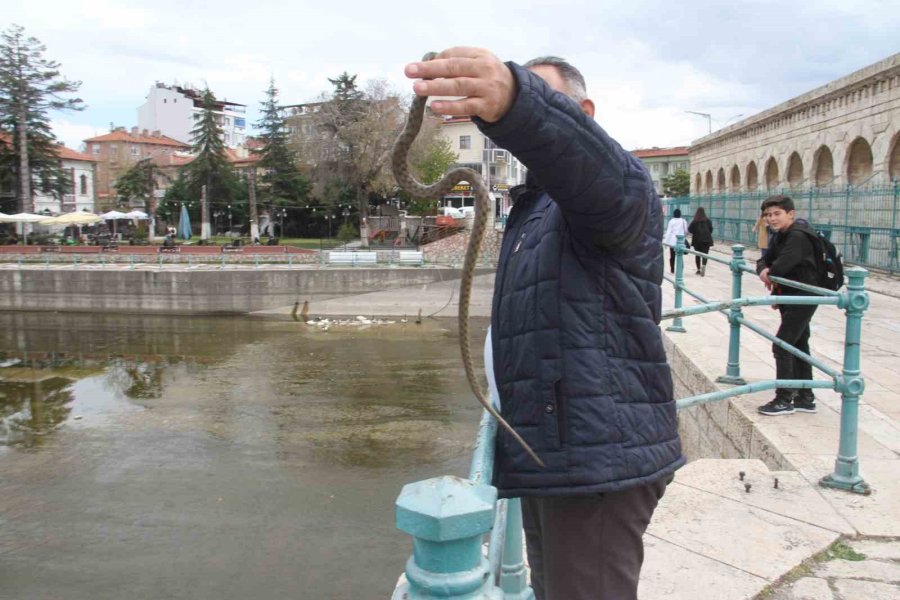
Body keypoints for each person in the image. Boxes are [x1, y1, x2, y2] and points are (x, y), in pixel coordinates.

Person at [405, 48, 683, 600]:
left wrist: (518, 100)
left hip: (595, 461)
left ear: (584, 112)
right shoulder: (537, 208)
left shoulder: (616, 195)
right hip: (554, 452)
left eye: (549, 99)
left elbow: (592, 164)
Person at [755, 195, 821, 416]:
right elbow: (764, 260)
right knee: (799, 344)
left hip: (803, 296)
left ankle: (784, 398)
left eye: (776, 214)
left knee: (782, 345)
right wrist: (765, 269)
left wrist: (769, 271)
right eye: (768, 215)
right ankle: (806, 397)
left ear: (790, 214)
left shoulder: (797, 237)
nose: (771, 219)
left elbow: (780, 267)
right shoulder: (781, 236)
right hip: (791, 296)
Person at [688, 207, 714, 276]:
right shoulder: (708, 220)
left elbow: (689, 230)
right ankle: (704, 266)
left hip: (697, 241)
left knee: (697, 255)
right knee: (705, 255)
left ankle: (698, 269)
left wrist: (695, 232)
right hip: (706, 240)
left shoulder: (694, 221)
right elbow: (711, 230)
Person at [663, 208, 689, 273]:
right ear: (680, 214)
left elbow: (669, 232)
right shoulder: (683, 221)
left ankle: (672, 269)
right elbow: (686, 231)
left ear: (674, 214)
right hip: (681, 241)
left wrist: (666, 243)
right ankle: (680, 269)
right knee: (680, 255)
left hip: (672, 242)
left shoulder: (671, 221)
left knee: (672, 256)